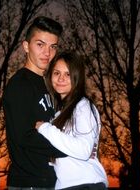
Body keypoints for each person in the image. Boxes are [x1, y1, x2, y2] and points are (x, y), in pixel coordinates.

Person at [3, 16, 67, 189]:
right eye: (40, 44)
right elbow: (25, 135)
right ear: (26, 46)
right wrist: (70, 148)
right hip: (29, 183)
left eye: (52, 46)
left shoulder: (50, 85)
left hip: (51, 181)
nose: (47, 53)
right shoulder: (19, 84)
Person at [35, 51, 108, 190]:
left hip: (85, 184)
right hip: (67, 185)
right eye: (57, 73)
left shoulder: (82, 106)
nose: (61, 78)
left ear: (77, 77)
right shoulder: (58, 114)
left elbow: (83, 149)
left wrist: (45, 128)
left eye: (68, 74)